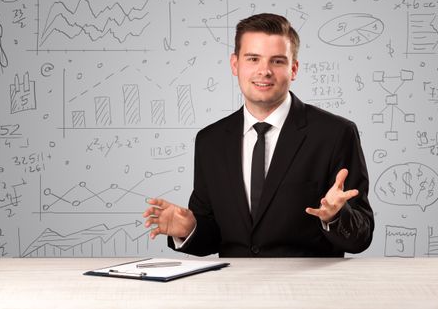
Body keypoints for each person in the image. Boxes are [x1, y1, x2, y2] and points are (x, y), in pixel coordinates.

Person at [143, 13, 374, 257]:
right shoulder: (210, 141)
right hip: (232, 288)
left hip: (307, 289)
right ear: (235, 64)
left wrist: (336, 216)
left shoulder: (335, 134)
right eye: (253, 59)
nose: (264, 71)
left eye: (277, 61)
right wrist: (190, 229)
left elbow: (362, 236)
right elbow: (215, 238)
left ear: (293, 69)